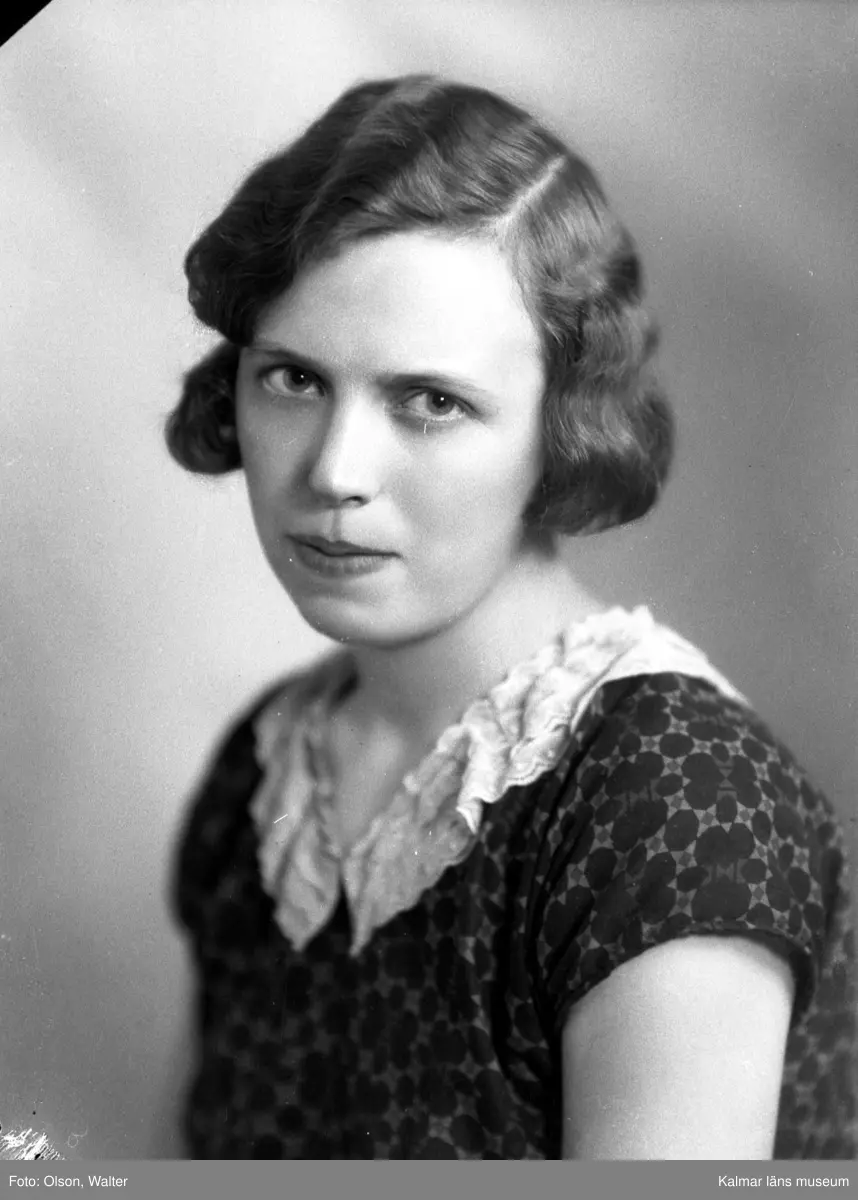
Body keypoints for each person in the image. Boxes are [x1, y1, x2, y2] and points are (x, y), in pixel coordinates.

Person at [164, 74, 855, 1160]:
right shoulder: (264, 777)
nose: (336, 471)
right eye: (294, 379)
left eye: (431, 402)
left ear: (563, 429)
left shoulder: (672, 803)